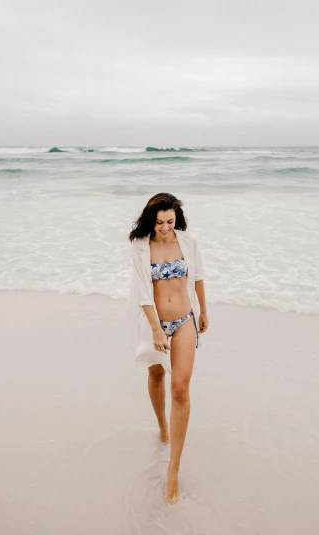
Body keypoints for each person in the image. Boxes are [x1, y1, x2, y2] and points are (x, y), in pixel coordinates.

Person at [127, 192, 209, 505]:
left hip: (184, 320)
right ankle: (162, 425)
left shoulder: (189, 242)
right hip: (153, 322)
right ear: (152, 219)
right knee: (157, 376)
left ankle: (173, 470)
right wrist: (155, 328)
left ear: (177, 218)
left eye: (170, 221)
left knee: (180, 389)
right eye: (159, 222)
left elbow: (198, 277)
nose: (165, 227)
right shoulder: (140, 246)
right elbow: (141, 290)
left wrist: (204, 311)